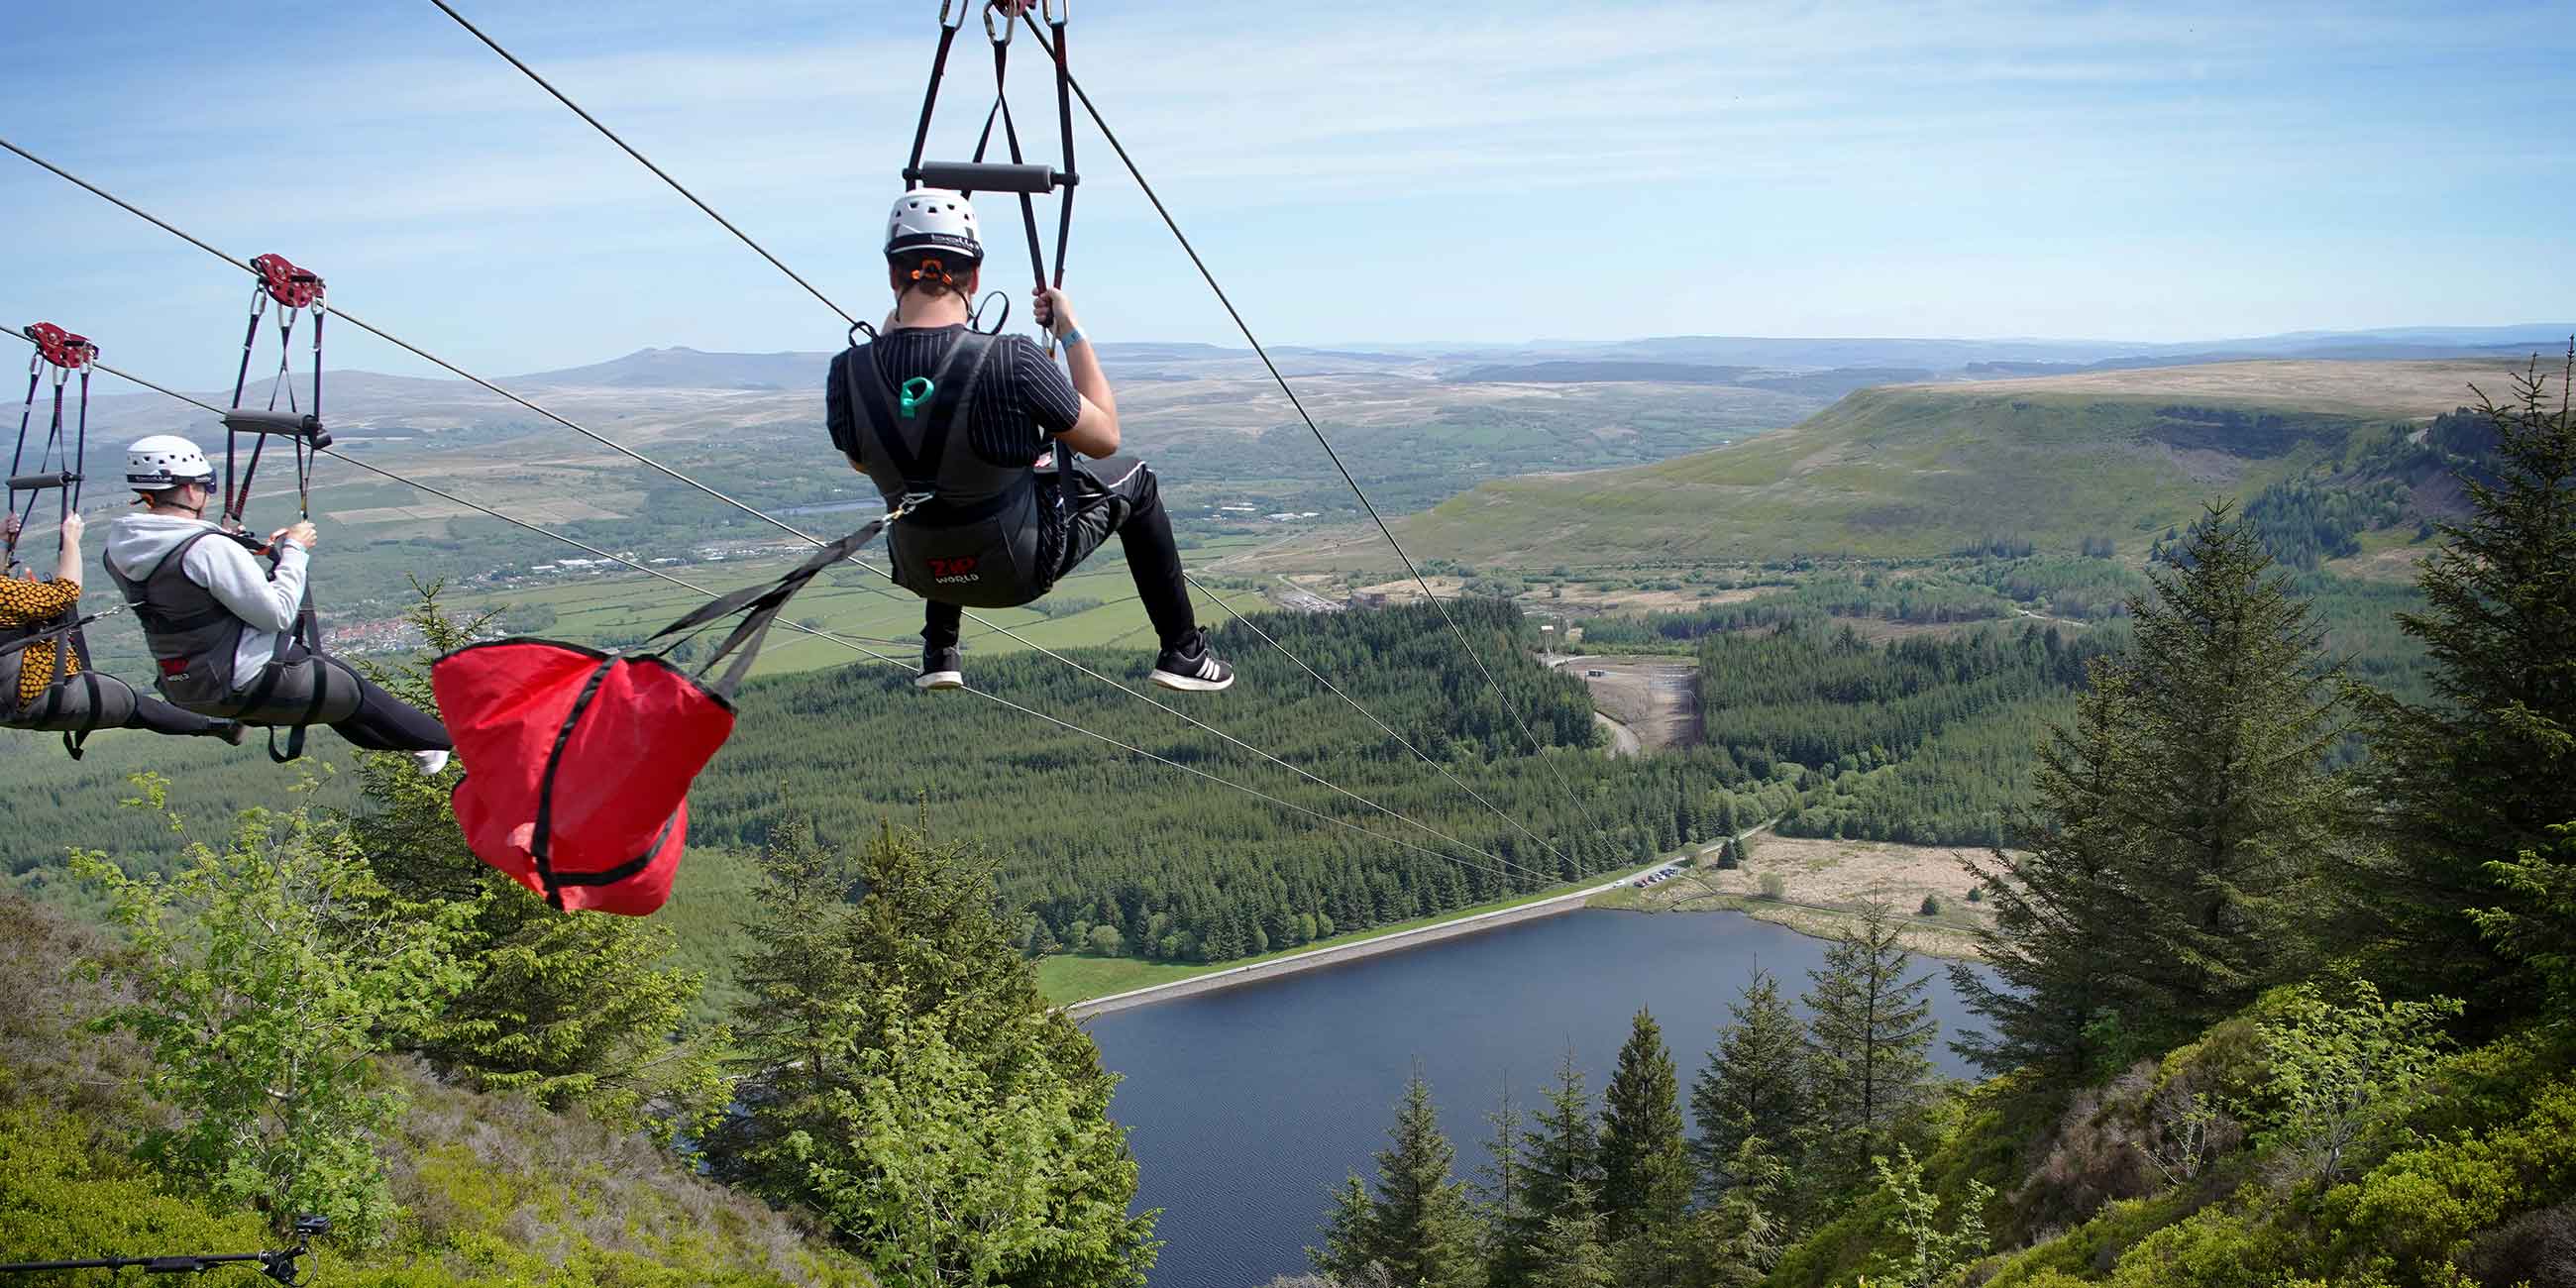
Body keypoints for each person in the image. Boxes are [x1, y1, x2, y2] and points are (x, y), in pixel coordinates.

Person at [825, 188, 1235, 693]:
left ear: (892, 275)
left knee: (937, 475)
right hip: (1017, 566)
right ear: (974, 278)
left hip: (921, 569)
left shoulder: (849, 374)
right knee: (1137, 480)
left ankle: (940, 647)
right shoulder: (1012, 360)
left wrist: (893, 339)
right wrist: (1070, 330)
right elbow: (1105, 437)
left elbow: (864, 463)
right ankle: (1183, 652)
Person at [100, 435, 453, 773]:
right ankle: (452, 742)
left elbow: (190, 598)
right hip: (250, 679)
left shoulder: (118, 550)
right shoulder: (206, 548)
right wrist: (295, 552)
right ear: (191, 488)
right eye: (207, 486)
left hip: (187, 688)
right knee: (352, 691)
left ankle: (424, 746)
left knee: (342, 705)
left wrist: (237, 548)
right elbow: (278, 614)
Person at [0, 511, 245, 743]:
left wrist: (3, 542)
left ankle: (218, 725)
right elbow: (66, 593)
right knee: (135, 706)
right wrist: (71, 540)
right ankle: (220, 726)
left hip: (9, 703)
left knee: (132, 706)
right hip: (38, 692)